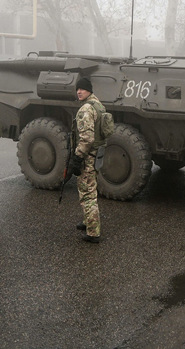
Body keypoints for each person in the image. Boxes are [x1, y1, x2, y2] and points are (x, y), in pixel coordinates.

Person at [70, 77, 105, 243]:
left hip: (88, 157)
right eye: (77, 89)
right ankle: (87, 221)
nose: (79, 92)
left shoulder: (85, 109)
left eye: (82, 89)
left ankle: (93, 232)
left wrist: (77, 157)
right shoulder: (98, 104)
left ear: (89, 90)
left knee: (87, 194)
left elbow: (87, 138)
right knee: (91, 189)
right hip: (97, 155)